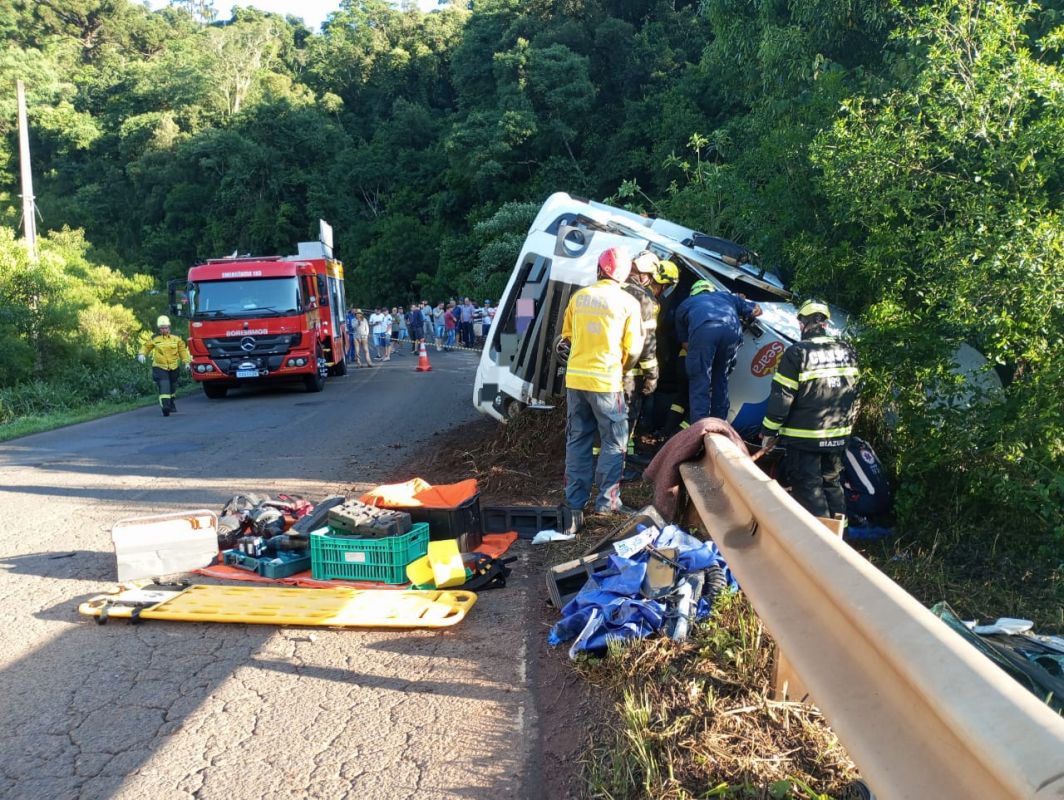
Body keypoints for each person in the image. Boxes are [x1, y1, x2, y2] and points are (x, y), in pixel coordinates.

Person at [558, 248, 645, 532]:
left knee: (578, 440)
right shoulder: (628, 302)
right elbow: (633, 349)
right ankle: (607, 504)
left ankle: (574, 507)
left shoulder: (579, 297)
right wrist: (622, 367)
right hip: (606, 382)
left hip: (576, 382)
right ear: (623, 274)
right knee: (614, 441)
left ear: (599, 269)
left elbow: (566, 339)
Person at [760, 300, 860, 519]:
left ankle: (817, 542)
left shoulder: (797, 353)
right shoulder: (848, 350)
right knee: (832, 483)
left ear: (803, 324)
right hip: (837, 435)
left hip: (804, 437)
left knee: (808, 488)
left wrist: (769, 431)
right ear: (824, 323)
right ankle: (838, 539)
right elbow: (854, 393)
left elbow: (782, 397)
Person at [622, 254, 680, 474]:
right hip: (630, 371)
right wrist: (652, 374)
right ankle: (618, 462)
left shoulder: (619, 291)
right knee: (626, 415)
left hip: (611, 369)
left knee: (625, 416)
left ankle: (624, 454)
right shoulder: (647, 300)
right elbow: (647, 340)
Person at [675, 279, 761, 424]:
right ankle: (719, 422)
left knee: (700, 379)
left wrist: (702, 359)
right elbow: (757, 310)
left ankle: (700, 425)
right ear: (711, 290)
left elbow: (685, 344)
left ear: (693, 293)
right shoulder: (726, 296)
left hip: (704, 332)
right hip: (732, 332)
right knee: (721, 378)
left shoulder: (685, 305)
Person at [138, 315, 190, 417]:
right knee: (164, 385)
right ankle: (165, 407)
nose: (164, 330)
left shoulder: (176, 338)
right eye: (161, 328)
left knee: (172, 387)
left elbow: (182, 351)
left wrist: (186, 362)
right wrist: (141, 354)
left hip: (174, 367)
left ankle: (171, 403)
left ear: (169, 327)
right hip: (160, 367)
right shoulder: (155, 338)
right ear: (159, 328)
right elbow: (146, 347)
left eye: (165, 327)